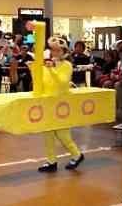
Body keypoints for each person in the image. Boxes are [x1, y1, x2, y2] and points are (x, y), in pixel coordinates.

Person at [37, 37, 84, 173]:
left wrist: (51, 69)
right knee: (48, 134)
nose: (54, 52)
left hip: (61, 104)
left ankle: (77, 154)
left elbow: (63, 82)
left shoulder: (66, 65)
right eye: (53, 49)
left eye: (57, 50)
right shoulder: (48, 65)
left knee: (63, 135)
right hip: (48, 103)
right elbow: (43, 82)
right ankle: (51, 161)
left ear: (64, 51)